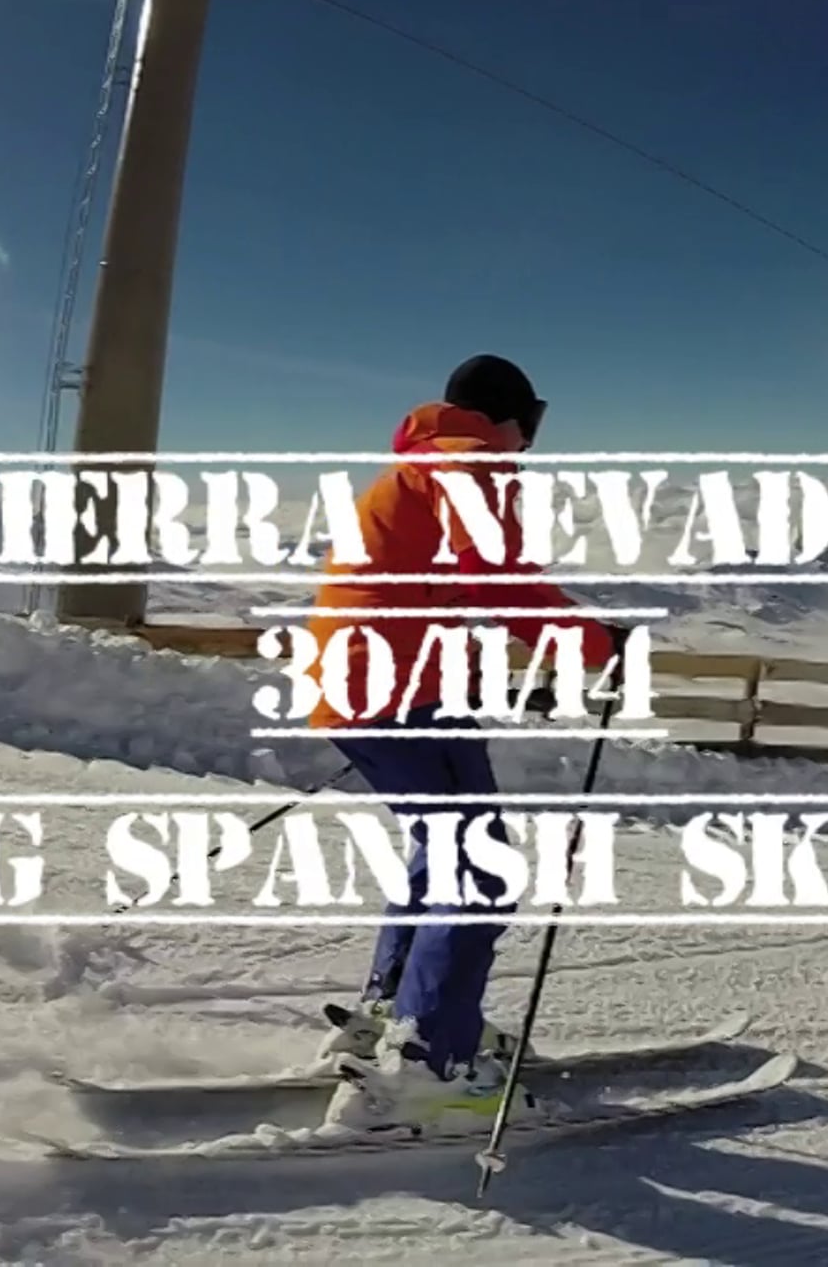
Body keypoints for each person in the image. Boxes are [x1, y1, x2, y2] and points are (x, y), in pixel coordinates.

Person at [305, 353, 626, 1134]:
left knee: (445, 851)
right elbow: (497, 579)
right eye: (531, 421)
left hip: (371, 689)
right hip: (400, 694)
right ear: (508, 415)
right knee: (478, 868)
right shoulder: (471, 466)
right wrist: (593, 644)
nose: (529, 440)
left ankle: (394, 1015)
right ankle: (429, 1067)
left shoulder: (422, 468)